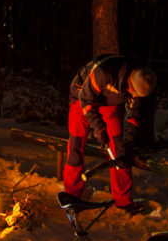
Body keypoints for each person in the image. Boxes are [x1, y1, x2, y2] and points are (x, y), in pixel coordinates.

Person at [64, 54, 157, 213]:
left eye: (137, 96)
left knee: (119, 150)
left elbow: (133, 117)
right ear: (129, 82)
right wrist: (99, 128)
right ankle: (72, 197)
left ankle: (123, 200)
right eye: (133, 93)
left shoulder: (141, 85)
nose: (134, 97)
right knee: (76, 147)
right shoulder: (104, 72)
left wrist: (129, 143)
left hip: (110, 103)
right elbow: (86, 100)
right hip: (82, 98)